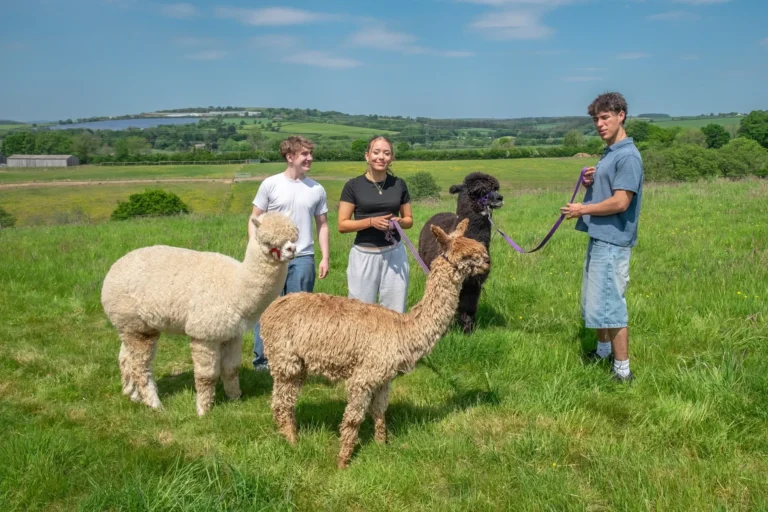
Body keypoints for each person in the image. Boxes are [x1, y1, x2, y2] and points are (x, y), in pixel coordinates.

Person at [561, 92, 644, 383]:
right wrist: (591, 180)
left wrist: (582, 208)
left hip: (613, 240)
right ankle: (602, 351)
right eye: (596, 119)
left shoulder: (629, 157)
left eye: (605, 117)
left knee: (612, 303)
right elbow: (609, 189)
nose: (599, 123)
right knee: (596, 301)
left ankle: (623, 371)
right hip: (599, 236)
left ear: (621, 115)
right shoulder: (610, 154)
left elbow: (621, 202)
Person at [249, 135, 329, 371]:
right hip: (272, 257)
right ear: (290, 156)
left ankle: (297, 360)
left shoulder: (317, 189)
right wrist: (258, 250)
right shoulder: (270, 184)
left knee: (301, 312)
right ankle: (263, 361)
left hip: (303, 257)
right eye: (305, 154)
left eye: (310, 154)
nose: (310, 158)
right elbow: (255, 219)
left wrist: (324, 257)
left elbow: (322, 225)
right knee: (267, 308)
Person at [338, 135, 413, 313]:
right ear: (367, 156)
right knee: (360, 314)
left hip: (395, 254)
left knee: (395, 313)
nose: (381, 157)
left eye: (386, 153)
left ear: (392, 158)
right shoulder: (353, 185)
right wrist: (371, 222)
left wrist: (399, 222)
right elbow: (342, 225)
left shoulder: (399, 184)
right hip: (364, 255)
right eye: (376, 152)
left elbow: (409, 220)